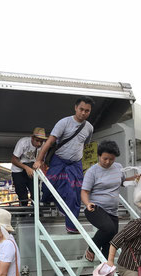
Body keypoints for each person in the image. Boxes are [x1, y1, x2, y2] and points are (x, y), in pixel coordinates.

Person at [81, 141, 141, 276]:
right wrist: (87, 203)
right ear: (99, 156)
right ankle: (91, 248)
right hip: (95, 208)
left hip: (112, 211)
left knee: (112, 243)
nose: (108, 162)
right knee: (108, 229)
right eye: (105, 158)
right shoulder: (92, 171)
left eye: (111, 159)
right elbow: (84, 191)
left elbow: (121, 182)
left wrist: (134, 179)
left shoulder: (118, 168)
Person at [33, 97, 95, 233]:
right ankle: (51, 201)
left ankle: (72, 226)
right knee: (48, 187)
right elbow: (49, 143)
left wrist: (80, 162)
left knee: (75, 193)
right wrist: (39, 160)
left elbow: (84, 145)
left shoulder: (89, 128)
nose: (83, 113)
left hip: (75, 164)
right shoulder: (64, 123)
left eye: (87, 111)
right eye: (81, 109)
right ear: (75, 108)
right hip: (59, 160)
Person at [10, 127, 46, 206]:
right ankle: (23, 215)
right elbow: (13, 160)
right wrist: (26, 168)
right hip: (18, 170)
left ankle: (34, 215)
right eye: (37, 140)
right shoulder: (23, 142)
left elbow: (42, 160)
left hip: (32, 168)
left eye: (41, 141)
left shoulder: (43, 145)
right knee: (23, 196)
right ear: (32, 138)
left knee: (36, 194)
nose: (39, 144)